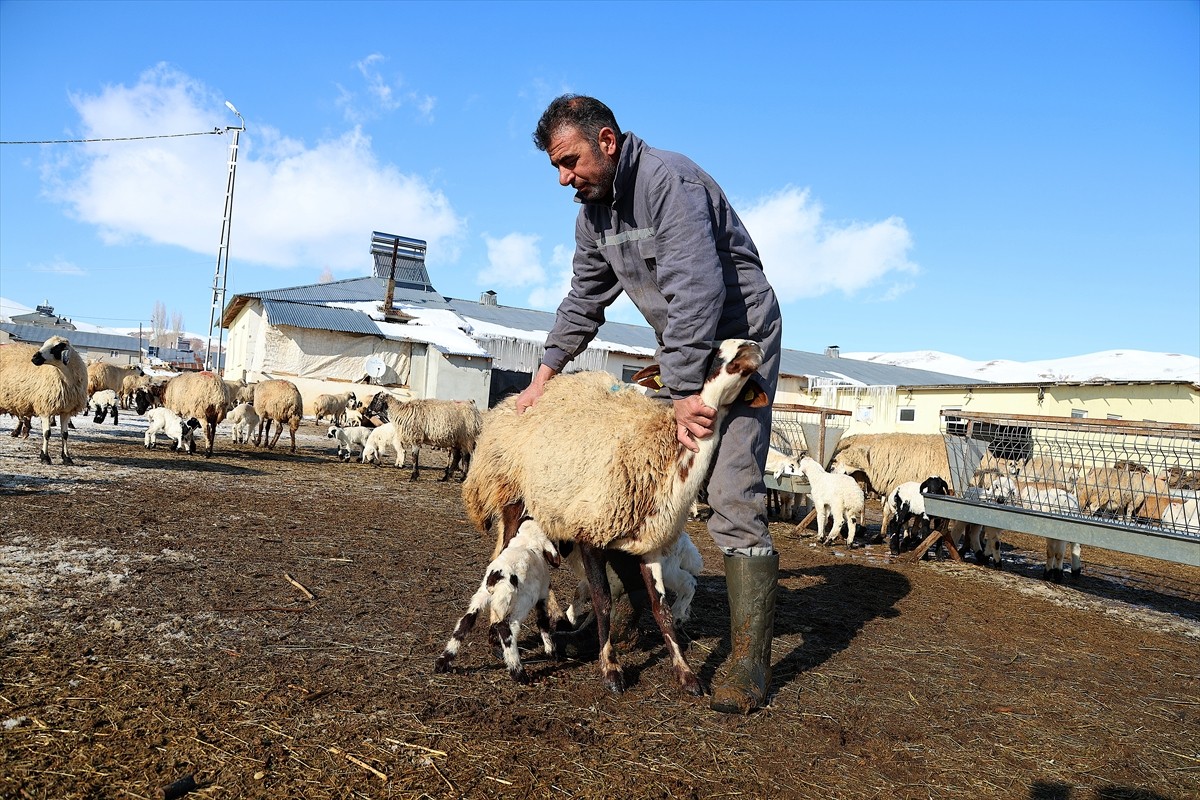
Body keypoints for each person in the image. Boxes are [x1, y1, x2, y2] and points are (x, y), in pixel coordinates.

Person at [520, 94, 784, 714]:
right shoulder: (594, 215)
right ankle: (637, 621)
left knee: (729, 487)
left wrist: (689, 389)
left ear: (606, 141)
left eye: (571, 161)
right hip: (685, 346)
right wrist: (544, 374)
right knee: (627, 480)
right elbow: (585, 297)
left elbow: (698, 286)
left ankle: (748, 658)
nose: (565, 178)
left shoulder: (671, 183)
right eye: (556, 168)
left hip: (735, 343)